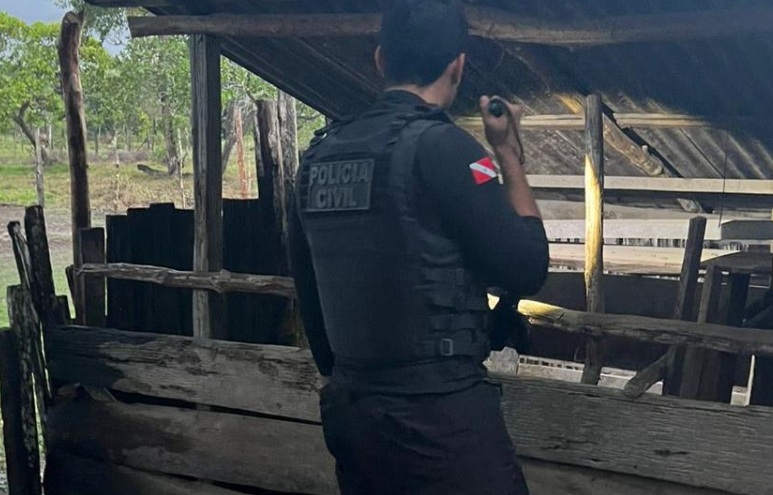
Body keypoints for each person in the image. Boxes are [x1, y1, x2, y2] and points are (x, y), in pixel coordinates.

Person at [288, 1, 549, 493]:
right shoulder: (449, 150)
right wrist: (509, 156)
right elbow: (527, 265)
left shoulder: (318, 157)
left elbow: (310, 297)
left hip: (355, 416)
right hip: (440, 420)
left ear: (381, 60)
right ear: (458, 66)